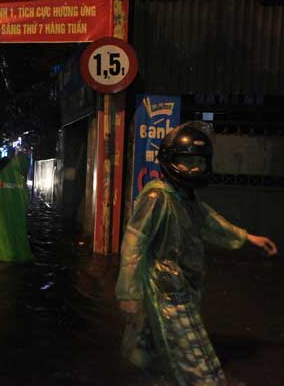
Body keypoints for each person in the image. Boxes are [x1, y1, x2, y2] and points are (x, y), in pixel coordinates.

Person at [115, 121, 277, 385]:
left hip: (182, 282)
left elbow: (211, 221)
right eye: (185, 161)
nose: (193, 168)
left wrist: (248, 237)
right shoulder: (158, 197)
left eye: (198, 162)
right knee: (191, 347)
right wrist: (127, 293)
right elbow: (134, 243)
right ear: (169, 161)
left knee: (154, 344)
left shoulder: (185, 197)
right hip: (164, 287)